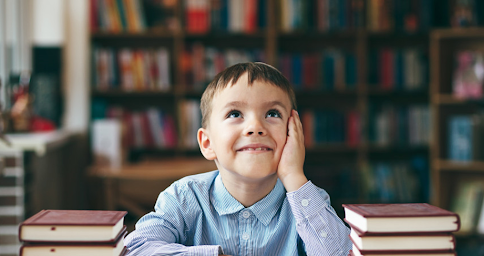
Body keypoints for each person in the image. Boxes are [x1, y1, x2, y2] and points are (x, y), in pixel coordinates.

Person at [123, 62, 352, 255]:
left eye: (272, 114)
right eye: (235, 114)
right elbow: (138, 248)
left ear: (293, 133)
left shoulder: (306, 201)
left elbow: (340, 253)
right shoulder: (183, 198)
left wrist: (293, 175)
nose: (255, 127)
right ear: (207, 143)